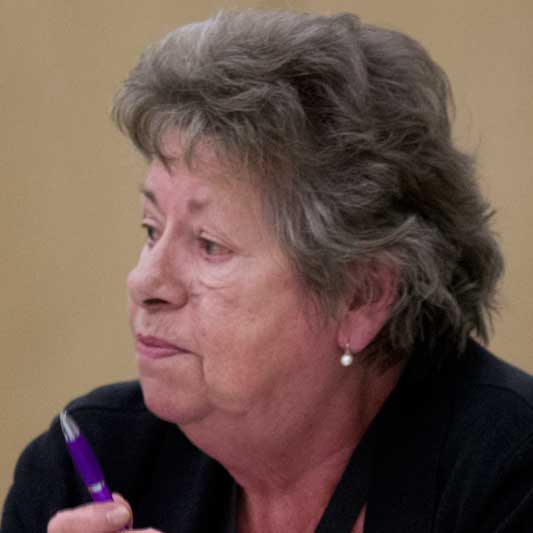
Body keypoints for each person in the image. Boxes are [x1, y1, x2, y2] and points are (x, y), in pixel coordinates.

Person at [2, 9, 532, 533]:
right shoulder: (84, 470)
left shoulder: (509, 477)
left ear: (362, 296)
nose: (145, 283)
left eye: (210, 245)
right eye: (150, 229)